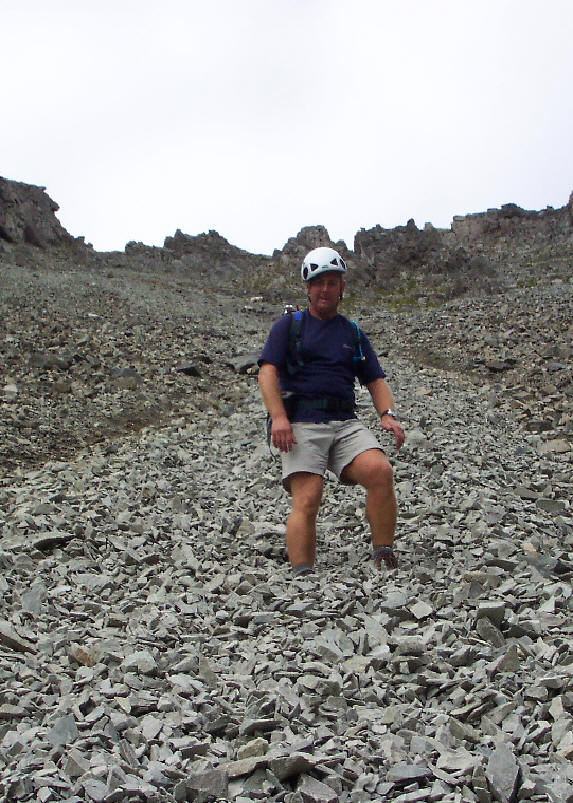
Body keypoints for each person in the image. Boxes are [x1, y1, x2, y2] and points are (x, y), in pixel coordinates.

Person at [258, 246, 405, 576]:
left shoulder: (352, 334)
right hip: (301, 423)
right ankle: (302, 574)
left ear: (342, 288)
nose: (325, 289)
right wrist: (279, 418)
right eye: (319, 282)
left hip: (345, 423)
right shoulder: (288, 327)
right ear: (308, 288)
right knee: (308, 497)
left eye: (332, 282)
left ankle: (384, 552)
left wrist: (387, 415)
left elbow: (375, 380)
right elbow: (267, 372)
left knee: (380, 472)